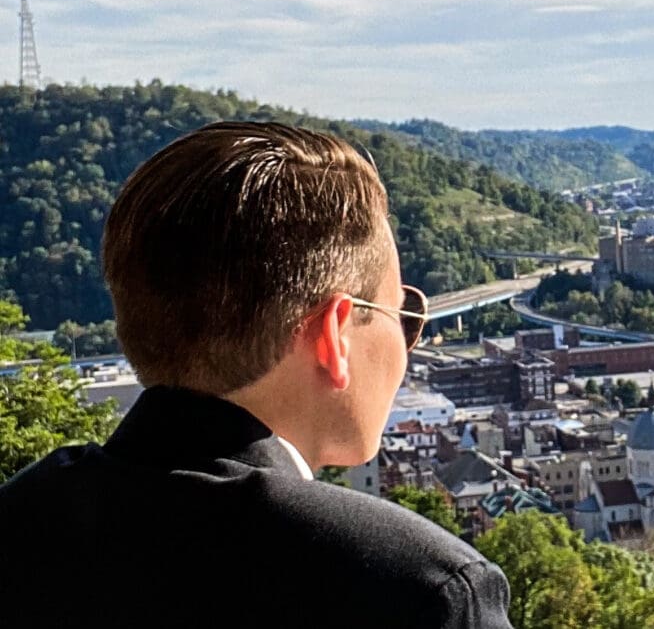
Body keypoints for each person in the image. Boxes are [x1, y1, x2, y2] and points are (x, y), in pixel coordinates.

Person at [0, 122, 512, 628]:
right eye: (402, 314)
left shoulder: (21, 520)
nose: (405, 344)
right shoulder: (419, 592)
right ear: (334, 335)